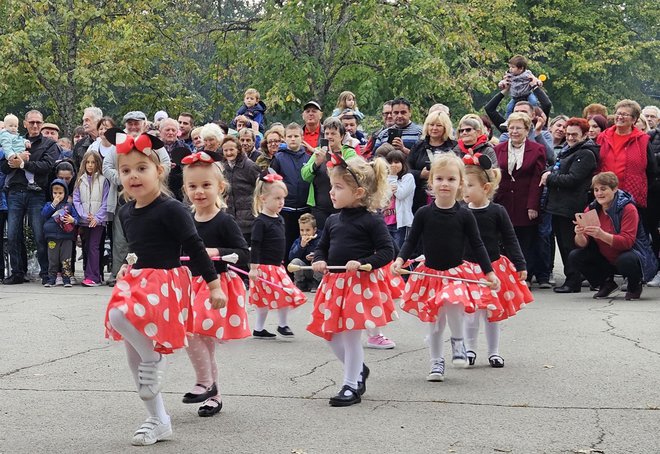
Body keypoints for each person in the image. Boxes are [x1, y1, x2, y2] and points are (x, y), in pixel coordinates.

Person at [103, 130, 227, 446]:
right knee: (132, 354)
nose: (133, 176)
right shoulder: (126, 210)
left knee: (119, 317)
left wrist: (214, 286)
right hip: (137, 278)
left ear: (159, 171)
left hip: (166, 283)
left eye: (141, 168)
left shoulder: (171, 209)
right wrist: (125, 267)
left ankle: (155, 360)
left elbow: (195, 247)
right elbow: (137, 246)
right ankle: (158, 420)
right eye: (126, 170)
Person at [391, 154, 499, 382]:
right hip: (430, 274)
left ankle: (458, 341)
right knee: (436, 323)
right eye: (439, 178)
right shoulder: (423, 213)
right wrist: (400, 260)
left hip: (456, 274)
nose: (445, 184)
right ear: (431, 183)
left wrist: (489, 272)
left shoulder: (464, 214)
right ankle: (436, 362)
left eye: (451, 179)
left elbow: (478, 244)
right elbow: (411, 241)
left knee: (453, 304)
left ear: (460, 183)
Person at [308, 154, 399, 407]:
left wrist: (363, 262)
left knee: (350, 337)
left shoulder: (372, 220)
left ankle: (350, 385)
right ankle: (358, 369)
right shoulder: (332, 220)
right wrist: (319, 260)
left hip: (359, 287)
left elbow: (387, 251)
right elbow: (322, 247)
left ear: (358, 192)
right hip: (334, 285)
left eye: (338, 187)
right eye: (331, 187)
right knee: (330, 336)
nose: (332, 193)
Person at [180, 151, 251, 417]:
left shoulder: (225, 220)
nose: (199, 191)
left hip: (216, 285)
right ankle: (213, 392)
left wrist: (216, 252)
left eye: (206, 185)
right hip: (189, 284)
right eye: (193, 186)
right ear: (185, 189)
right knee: (200, 339)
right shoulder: (184, 221)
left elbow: (243, 254)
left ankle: (205, 382)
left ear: (220, 187)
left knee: (195, 331)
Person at [462, 153, 533, 368]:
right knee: (471, 313)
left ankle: (494, 352)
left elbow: (510, 239)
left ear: (485, 188)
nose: (464, 190)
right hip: (466, 269)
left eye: (469, 185)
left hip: (492, 269)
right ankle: (470, 350)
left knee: (492, 314)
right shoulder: (461, 212)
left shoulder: (497, 211)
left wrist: (520, 264)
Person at [569, 172, 657, 300]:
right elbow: (582, 244)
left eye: (603, 189)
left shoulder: (628, 208)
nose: (599, 193)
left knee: (626, 260)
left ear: (615, 189)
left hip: (631, 254)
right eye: (596, 190)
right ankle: (606, 283)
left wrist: (601, 234)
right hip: (605, 256)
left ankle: (634, 285)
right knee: (575, 256)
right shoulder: (592, 208)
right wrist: (580, 234)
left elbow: (627, 242)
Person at [540, 118, 599, 293]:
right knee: (565, 245)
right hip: (559, 205)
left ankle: (574, 281)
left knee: (570, 245)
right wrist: (549, 173)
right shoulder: (569, 150)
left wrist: (549, 178)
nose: (570, 137)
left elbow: (573, 179)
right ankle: (573, 278)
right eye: (568, 134)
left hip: (572, 207)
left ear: (585, 135)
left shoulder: (586, 153)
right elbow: (557, 169)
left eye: (574, 134)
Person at [2, 110, 60, 285]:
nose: (35, 125)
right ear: (25, 124)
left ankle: (46, 273)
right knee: (12, 235)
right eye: (32, 122)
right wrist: (13, 161)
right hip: (15, 192)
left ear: (42, 124)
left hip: (36, 193)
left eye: (38, 122)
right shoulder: (13, 139)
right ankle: (18, 272)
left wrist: (23, 163)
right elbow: (4, 168)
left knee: (39, 234)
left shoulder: (49, 144)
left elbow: (47, 166)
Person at [249, 173, 307, 339]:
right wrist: (254, 268)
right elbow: (256, 246)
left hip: (277, 266)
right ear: (263, 199)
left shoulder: (280, 219)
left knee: (283, 294)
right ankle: (261, 328)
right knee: (266, 299)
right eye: (277, 198)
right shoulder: (260, 221)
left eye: (283, 198)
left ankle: (282, 325)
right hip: (264, 268)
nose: (281, 202)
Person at [493, 112, 547, 271]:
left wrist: (533, 205)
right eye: (511, 128)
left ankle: (525, 274)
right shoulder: (498, 149)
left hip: (525, 202)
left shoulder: (537, 149)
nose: (514, 131)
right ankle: (505, 273)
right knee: (504, 239)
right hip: (503, 202)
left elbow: (537, 179)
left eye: (518, 128)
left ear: (526, 130)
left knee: (525, 240)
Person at [597, 100, 654, 213]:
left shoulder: (642, 140)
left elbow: (652, 170)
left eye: (625, 114)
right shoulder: (602, 137)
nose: (620, 117)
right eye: (618, 113)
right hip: (603, 193)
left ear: (634, 119)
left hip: (630, 195)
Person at [301, 117, 356, 230]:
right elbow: (305, 176)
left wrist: (333, 157)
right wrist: (316, 163)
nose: (329, 137)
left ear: (341, 136)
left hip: (343, 208)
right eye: (326, 133)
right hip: (320, 209)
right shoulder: (319, 151)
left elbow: (353, 173)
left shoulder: (349, 152)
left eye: (333, 133)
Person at [270, 122, 311, 255]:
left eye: (296, 136)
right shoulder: (278, 158)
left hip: (305, 209)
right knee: (286, 244)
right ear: (285, 138)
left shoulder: (309, 158)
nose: (293, 139)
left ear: (302, 137)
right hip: (286, 209)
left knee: (304, 244)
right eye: (289, 136)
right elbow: (272, 183)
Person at [407, 110, 457, 213]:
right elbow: (406, 169)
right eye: (431, 125)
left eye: (438, 125)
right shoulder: (418, 146)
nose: (434, 128)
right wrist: (420, 174)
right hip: (420, 197)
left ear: (445, 128)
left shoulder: (453, 146)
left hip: (447, 195)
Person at [73, 150, 109, 286]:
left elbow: (106, 201)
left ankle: (94, 277)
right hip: (84, 220)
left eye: (93, 162)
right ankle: (89, 275)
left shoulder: (103, 180)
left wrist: (97, 217)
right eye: (88, 162)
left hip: (98, 221)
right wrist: (83, 215)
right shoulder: (80, 179)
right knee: (87, 247)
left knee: (94, 247)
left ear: (98, 164)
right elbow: (76, 200)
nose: (90, 165)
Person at [220, 136, 260, 244]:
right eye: (225, 150)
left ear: (238, 149)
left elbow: (260, 188)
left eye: (231, 149)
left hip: (248, 219)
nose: (228, 153)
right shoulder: (223, 167)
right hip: (230, 217)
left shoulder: (249, 166)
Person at [41, 179, 79, 287]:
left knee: (66, 259)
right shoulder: (49, 204)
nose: (58, 195)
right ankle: (51, 278)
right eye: (55, 193)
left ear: (65, 193)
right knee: (52, 259)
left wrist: (73, 220)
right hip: (52, 237)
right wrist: (53, 204)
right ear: (51, 193)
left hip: (66, 237)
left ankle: (66, 279)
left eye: (60, 193)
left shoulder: (69, 206)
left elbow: (76, 219)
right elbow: (44, 214)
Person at [384, 149, 414, 248]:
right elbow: (384, 197)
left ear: (403, 163)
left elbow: (401, 194)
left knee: (399, 252)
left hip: (400, 223)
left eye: (396, 162)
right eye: (390, 162)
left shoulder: (408, 178)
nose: (393, 165)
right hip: (386, 220)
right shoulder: (386, 179)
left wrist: (393, 177)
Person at [288, 213, 322, 292]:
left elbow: (326, 252)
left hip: (317, 270)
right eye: (302, 230)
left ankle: (317, 282)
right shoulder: (299, 241)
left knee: (318, 260)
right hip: (305, 270)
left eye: (307, 230)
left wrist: (316, 255)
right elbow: (291, 257)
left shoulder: (321, 239)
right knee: (295, 261)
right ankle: (301, 282)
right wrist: (301, 246)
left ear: (314, 230)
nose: (304, 233)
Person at [0, 114, 33, 188]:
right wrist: (11, 155)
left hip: (20, 153)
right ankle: (31, 182)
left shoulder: (15, 135)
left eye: (15, 126)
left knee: (19, 170)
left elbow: (21, 139)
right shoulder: (5, 135)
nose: (13, 128)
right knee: (23, 169)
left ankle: (7, 184)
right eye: (11, 126)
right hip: (14, 154)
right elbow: (7, 146)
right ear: (5, 127)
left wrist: (26, 142)